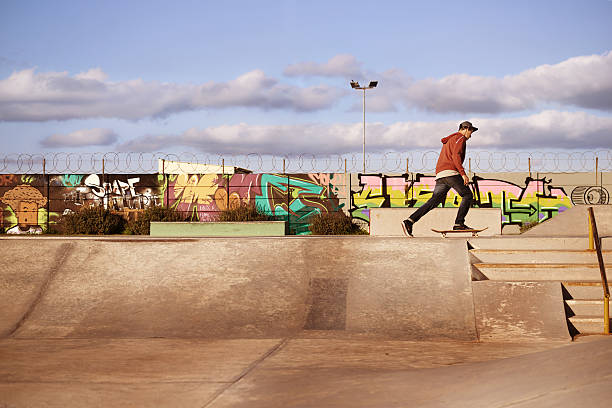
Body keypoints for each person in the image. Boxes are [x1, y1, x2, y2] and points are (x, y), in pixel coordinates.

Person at [402, 121, 477, 236]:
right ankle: (459, 224)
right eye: (471, 131)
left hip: (441, 174)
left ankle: (409, 221)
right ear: (466, 128)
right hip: (450, 173)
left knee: (433, 201)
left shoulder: (450, 140)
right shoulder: (460, 138)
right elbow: (455, 156)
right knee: (467, 195)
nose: (471, 135)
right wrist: (463, 174)